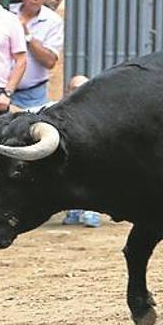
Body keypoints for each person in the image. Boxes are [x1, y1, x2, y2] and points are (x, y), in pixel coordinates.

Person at [9, 0, 62, 110]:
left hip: (34, 95)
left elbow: (50, 61)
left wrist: (27, 36)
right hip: (1, 92)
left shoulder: (53, 21)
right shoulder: (7, 13)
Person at [60, 75, 102, 228]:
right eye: (75, 89)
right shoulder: (59, 111)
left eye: (83, 88)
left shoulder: (100, 112)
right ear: (67, 92)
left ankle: (92, 212)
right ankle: (74, 210)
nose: (79, 92)